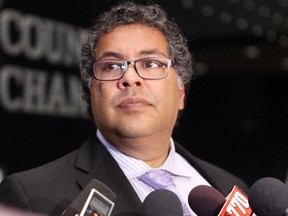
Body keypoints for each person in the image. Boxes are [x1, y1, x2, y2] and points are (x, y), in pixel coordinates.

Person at [0, 1, 248, 216]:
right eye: (111, 66)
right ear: (91, 92)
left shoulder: (230, 188)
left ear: (180, 91)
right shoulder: (29, 194)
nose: (130, 77)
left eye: (150, 63)